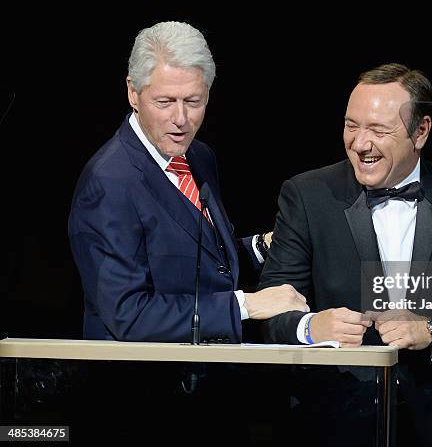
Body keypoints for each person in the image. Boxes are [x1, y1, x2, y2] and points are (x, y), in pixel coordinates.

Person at [259, 63, 432, 446]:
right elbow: (272, 311)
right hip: (338, 419)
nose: (361, 143)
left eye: (379, 130)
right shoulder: (306, 195)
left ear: (421, 132)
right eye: (352, 126)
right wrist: (310, 327)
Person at [68, 21, 308, 343]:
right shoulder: (108, 182)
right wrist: (245, 305)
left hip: (210, 379)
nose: (180, 120)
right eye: (164, 102)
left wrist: (262, 246)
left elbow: (196, 261)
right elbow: (129, 314)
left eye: (193, 102)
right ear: (133, 93)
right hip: (143, 385)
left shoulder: (199, 156)